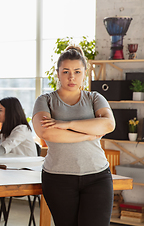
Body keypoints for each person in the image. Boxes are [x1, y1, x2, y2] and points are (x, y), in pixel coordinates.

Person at [32, 46, 115, 226]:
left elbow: (108, 124)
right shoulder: (45, 100)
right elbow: (46, 132)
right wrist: (88, 134)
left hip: (98, 176)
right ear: (58, 73)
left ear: (85, 73)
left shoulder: (95, 98)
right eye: (66, 71)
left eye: (77, 71)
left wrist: (66, 124)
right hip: (58, 179)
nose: (71, 77)